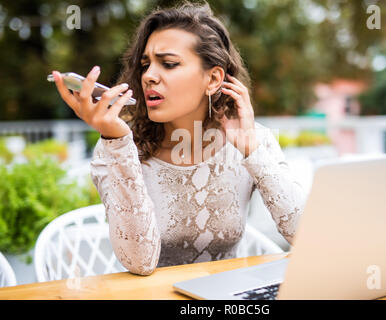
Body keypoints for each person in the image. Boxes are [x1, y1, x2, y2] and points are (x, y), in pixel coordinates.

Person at [52, 1, 307, 276]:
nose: (149, 76)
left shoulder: (249, 140)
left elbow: (307, 238)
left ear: (213, 79)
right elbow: (140, 262)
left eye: (169, 64)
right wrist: (116, 142)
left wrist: (252, 150)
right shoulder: (117, 148)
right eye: (145, 64)